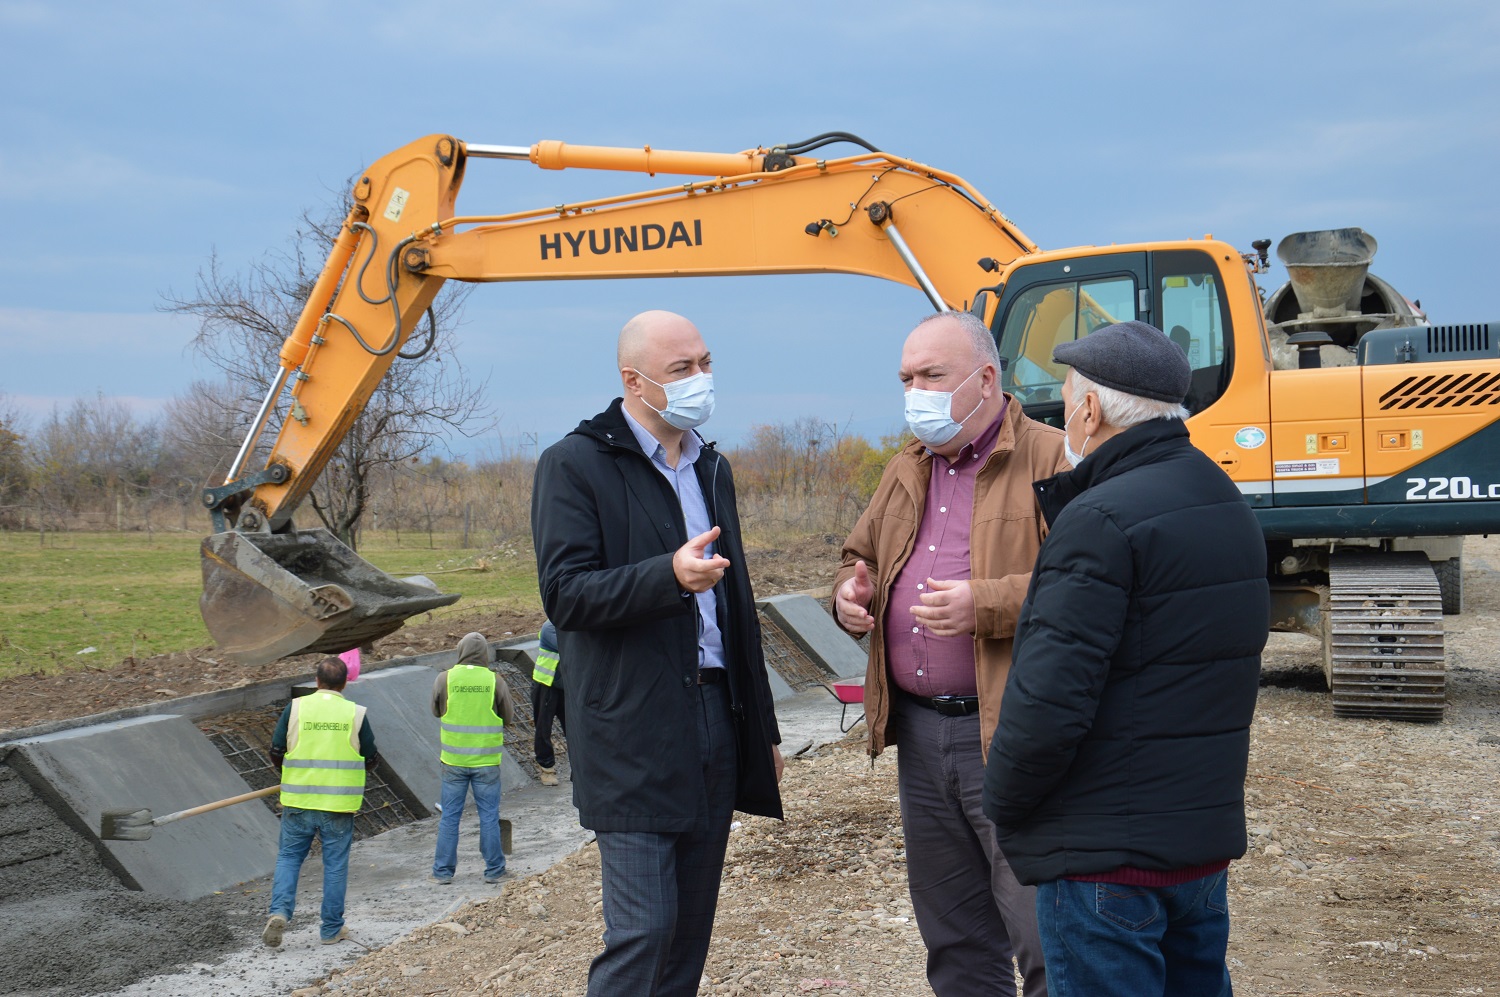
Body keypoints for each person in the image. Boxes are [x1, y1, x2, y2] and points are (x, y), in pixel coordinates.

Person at [983, 320, 1270, 997]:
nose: (1063, 412)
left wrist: (1005, 803)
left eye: (1066, 397)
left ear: (1090, 409)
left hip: (1104, 859)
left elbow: (1049, 700)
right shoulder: (1222, 498)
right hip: (1197, 847)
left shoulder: (1099, 519)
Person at [531, 309, 785, 997]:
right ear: (633, 381)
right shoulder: (574, 464)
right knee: (644, 931)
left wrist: (761, 729)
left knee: (687, 936)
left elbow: (738, 611)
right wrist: (666, 575)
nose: (701, 378)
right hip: (630, 730)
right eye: (682, 369)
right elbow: (566, 595)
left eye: (705, 362)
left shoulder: (712, 467)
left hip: (716, 717)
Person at [833, 310, 1067, 997]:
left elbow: (1088, 584)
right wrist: (848, 596)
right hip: (920, 731)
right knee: (955, 934)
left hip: (1011, 728)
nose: (915, 393)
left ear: (985, 378)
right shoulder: (907, 466)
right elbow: (857, 555)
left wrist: (984, 605)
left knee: (1042, 931)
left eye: (931, 376)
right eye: (906, 378)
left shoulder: (1052, 459)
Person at [262, 656, 378, 947]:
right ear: (345, 683)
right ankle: (330, 930)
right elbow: (370, 757)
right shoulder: (355, 713)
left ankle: (279, 912)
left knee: (289, 858)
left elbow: (276, 750)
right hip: (337, 805)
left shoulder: (296, 708)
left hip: (298, 800)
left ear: (316, 681)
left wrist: (291, 772)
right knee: (335, 866)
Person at [429, 631, 515, 885]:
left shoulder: (445, 679)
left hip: (453, 762)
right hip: (486, 762)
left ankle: (442, 872)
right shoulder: (494, 681)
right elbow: (508, 717)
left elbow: (436, 710)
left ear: (461, 651)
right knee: (488, 816)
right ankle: (495, 870)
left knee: (450, 817)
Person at [532, 620, 565, 787]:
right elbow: (571, 647)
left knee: (574, 729)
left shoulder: (571, 623)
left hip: (565, 686)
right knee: (543, 728)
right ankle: (547, 769)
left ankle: (580, 768)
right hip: (546, 684)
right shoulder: (549, 628)